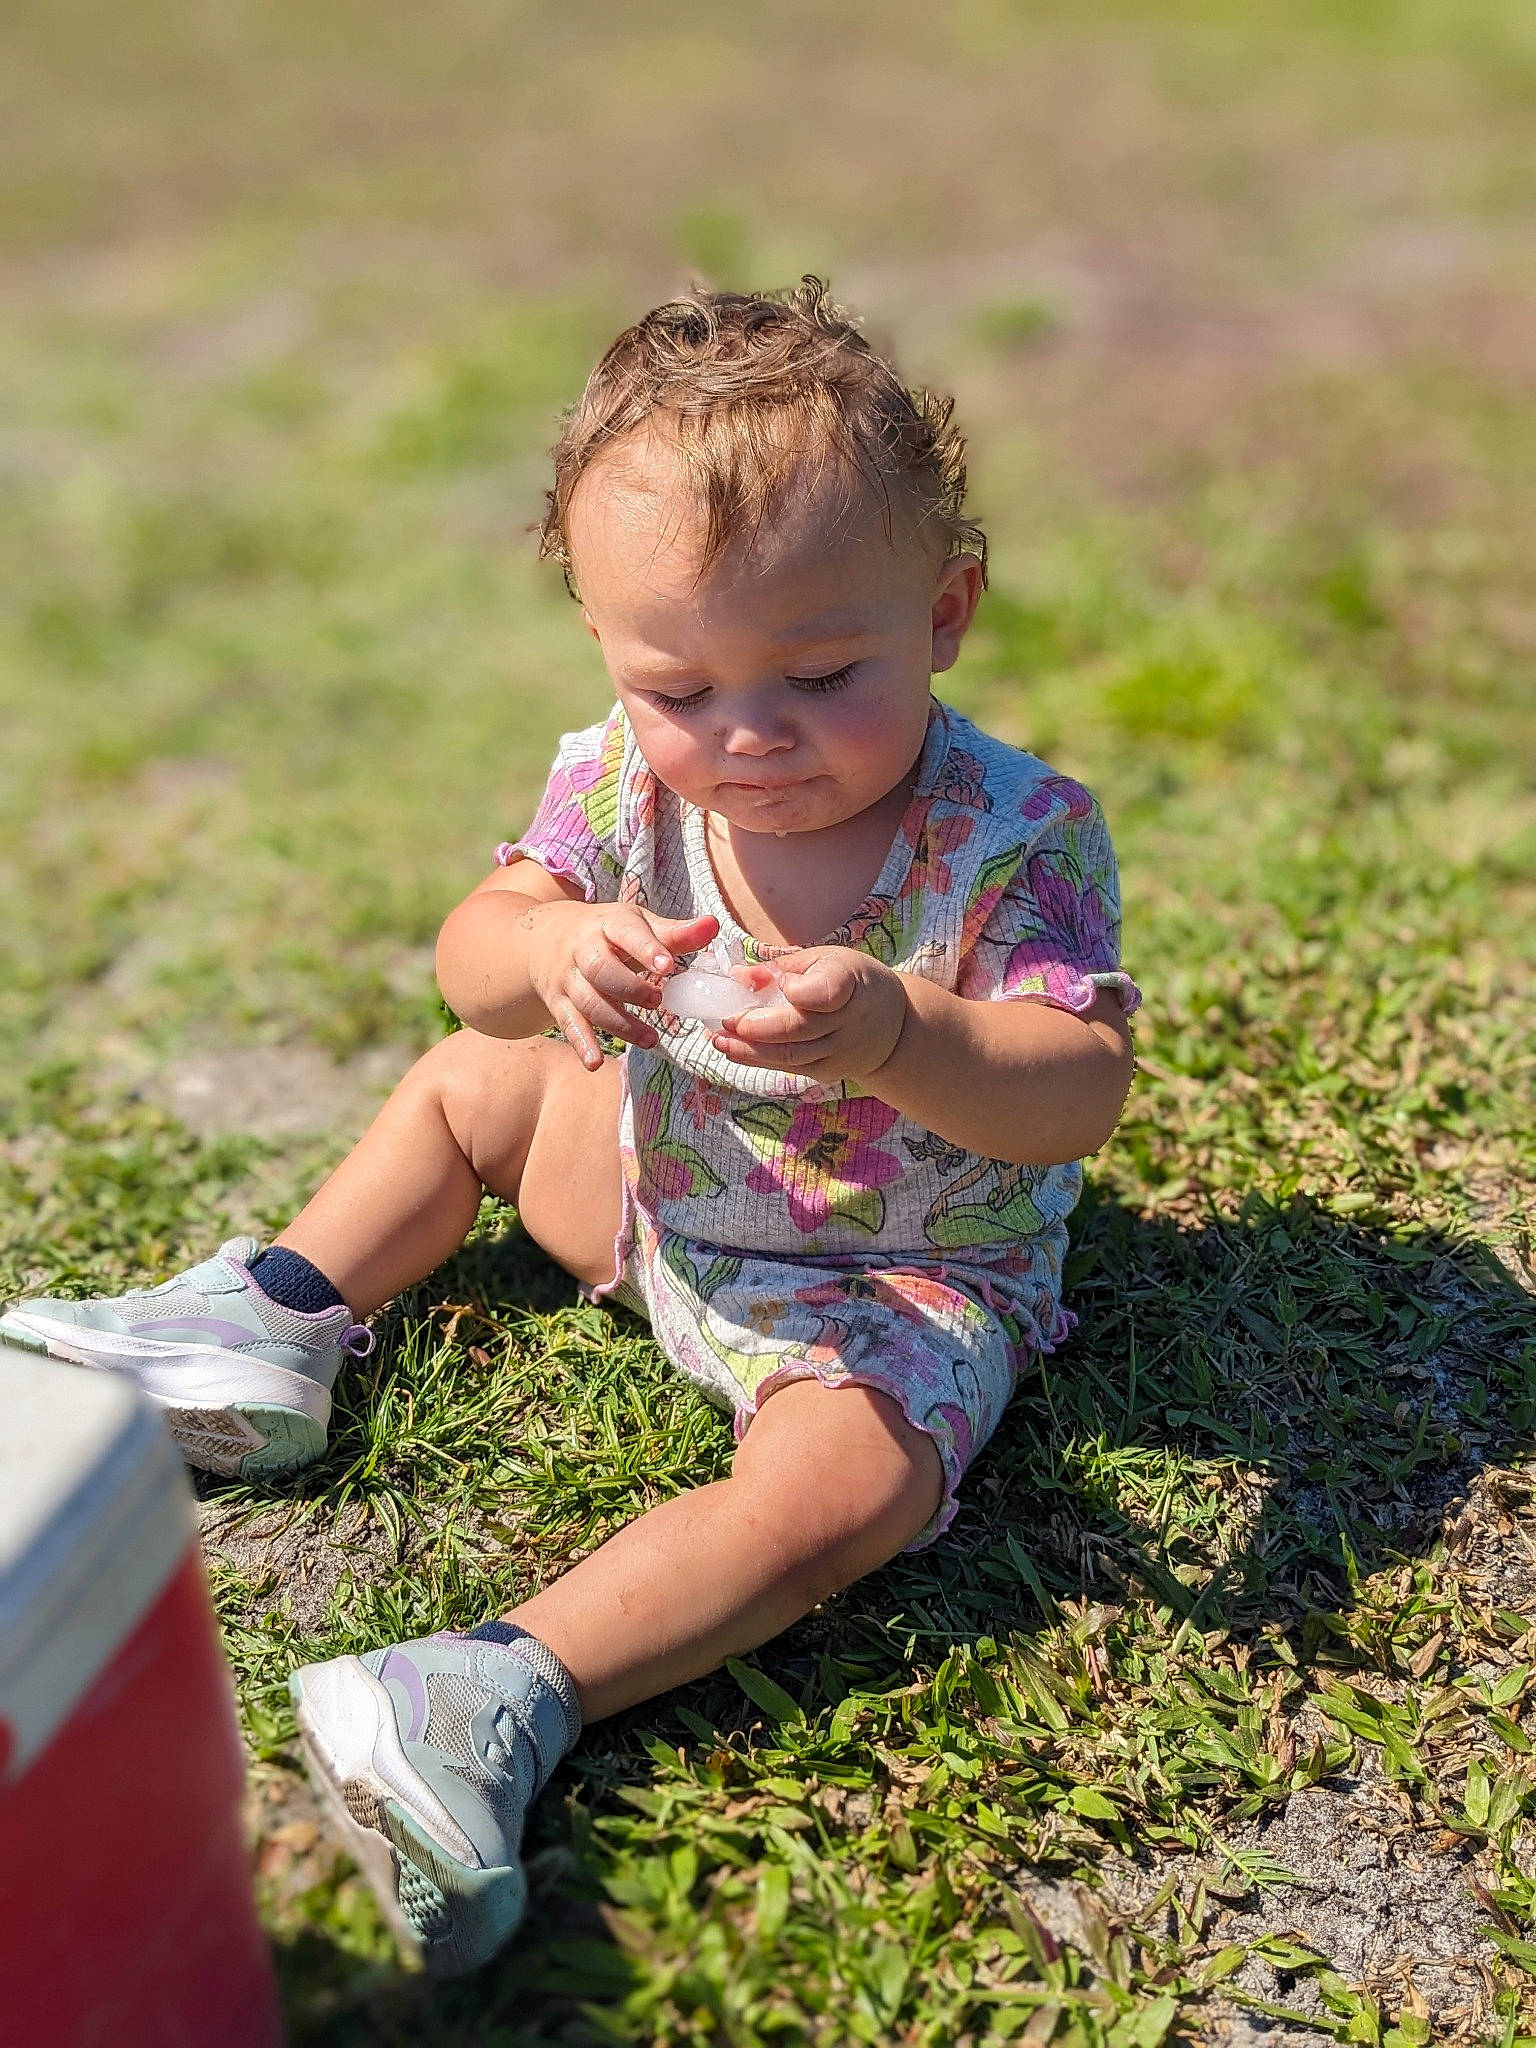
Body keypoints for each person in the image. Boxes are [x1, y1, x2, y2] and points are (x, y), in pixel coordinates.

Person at [0, 280, 1139, 1975]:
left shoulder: (1016, 833)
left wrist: (905, 1031)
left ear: (948, 608)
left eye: (824, 673)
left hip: (889, 1279)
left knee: (852, 1486)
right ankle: (281, 1317)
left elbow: (1077, 1095)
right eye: (680, 684)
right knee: (475, 1084)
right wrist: (543, 946)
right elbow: (472, 966)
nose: (748, 738)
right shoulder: (622, 780)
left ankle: (482, 1687)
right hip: (650, 1198)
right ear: (608, 647)